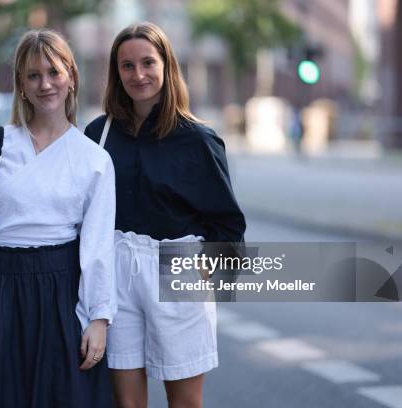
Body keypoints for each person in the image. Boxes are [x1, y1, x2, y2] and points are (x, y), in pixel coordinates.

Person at [0, 28, 116, 408]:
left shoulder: (93, 159)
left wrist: (98, 318)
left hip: (62, 295)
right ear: (20, 84)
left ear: (71, 77)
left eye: (53, 72)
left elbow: (98, 246)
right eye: (33, 75)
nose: (45, 84)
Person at [84, 22, 246, 408]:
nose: (138, 74)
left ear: (166, 66)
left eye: (147, 62)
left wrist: (208, 272)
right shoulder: (97, 134)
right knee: (125, 401)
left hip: (177, 268)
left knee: (185, 402)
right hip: (118, 270)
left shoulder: (198, 140)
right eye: (126, 66)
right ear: (115, 72)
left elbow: (228, 222)